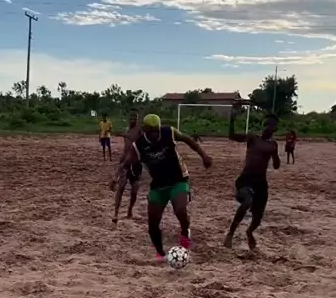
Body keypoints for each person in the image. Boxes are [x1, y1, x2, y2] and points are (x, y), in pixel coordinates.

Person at [120, 114, 212, 261]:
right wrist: (117, 176)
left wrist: (204, 155)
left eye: (156, 130)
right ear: (145, 130)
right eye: (151, 131)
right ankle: (160, 253)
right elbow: (127, 162)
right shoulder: (139, 144)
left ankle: (185, 232)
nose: (155, 134)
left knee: (180, 209)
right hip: (158, 185)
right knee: (152, 223)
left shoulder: (169, 132)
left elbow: (188, 139)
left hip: (178, 179)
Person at [223, 107, 280, 251]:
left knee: (257, 218)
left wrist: (275, 156)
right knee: (247, 202)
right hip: (246, 179)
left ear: (275, 128)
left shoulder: (273, 145)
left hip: (260, 183)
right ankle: (231, 233)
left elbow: (276, 165)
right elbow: (231, 136)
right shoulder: (253, 138)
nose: (266, 127)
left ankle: (249, 232)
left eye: (269, 125)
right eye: (264, 124)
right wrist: (232, 119)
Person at [111, 108, 142, 224]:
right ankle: (116, 213)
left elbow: (136, 139)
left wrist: (126, 135)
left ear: (138, 119)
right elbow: (118, 134)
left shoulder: (139, 131)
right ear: (128, 118)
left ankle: (130, 210)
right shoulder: (126, 130)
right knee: (121, 187)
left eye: (135, 117)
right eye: (131, 117)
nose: (133, 119)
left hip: (136, 163)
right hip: (125, 162)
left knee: (134, 191)